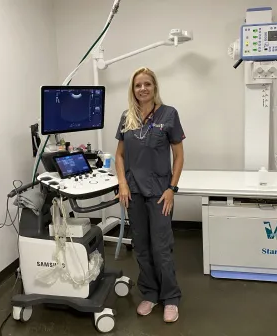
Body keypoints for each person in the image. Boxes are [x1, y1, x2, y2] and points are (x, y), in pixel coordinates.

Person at [114, 67, 185, 323]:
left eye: (147, 84)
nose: (142, 89)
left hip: (159, 193)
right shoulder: (126, 117)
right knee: (141, 247)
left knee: (161, 247)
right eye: (137, 85)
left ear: (154, 86)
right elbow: (119, 155)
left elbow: (178, 156)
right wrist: (122, 183)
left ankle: (171, 297)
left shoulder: (169, 114)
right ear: (132, 90)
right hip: (133, 193)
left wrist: (172, 189)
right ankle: (150, 293)